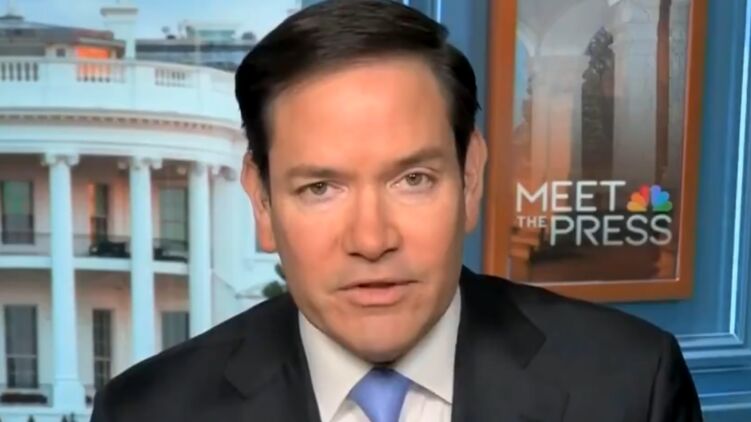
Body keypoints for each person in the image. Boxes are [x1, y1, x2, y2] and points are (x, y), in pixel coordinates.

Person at [90, 0, 702, 421]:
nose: (372, 238)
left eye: (413, 179)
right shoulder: (147, 412)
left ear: (470, 178)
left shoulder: (631, 386)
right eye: (320, 188)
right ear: (263, 201)